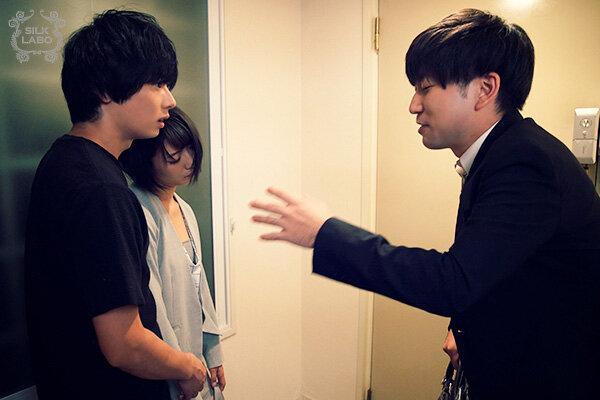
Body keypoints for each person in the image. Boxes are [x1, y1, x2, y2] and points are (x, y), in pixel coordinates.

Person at [251, 8, 600, 399]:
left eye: (426, 88)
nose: (413, 105)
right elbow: (494, 265)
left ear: (485, 89)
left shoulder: (524, 162)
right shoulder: (502, 152)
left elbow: (453, 280)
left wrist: (325, 233)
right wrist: (465, 324)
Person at [25, 10, 207, 400]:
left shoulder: (62, 160)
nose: (170, 100)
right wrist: (189, 366)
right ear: (106, 90)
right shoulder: (101, 190)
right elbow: (124, 343)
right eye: (157, 84)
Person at [120, 106, 226, 400]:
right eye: (174, 154)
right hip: (168, 363)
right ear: (146, 156)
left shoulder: (185, 209)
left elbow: (200, 286)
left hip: (194, 356)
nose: (189, 161)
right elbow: (153, 306)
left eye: (191, 149)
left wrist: (213, 352)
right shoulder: (138, 209)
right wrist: (180, 370)